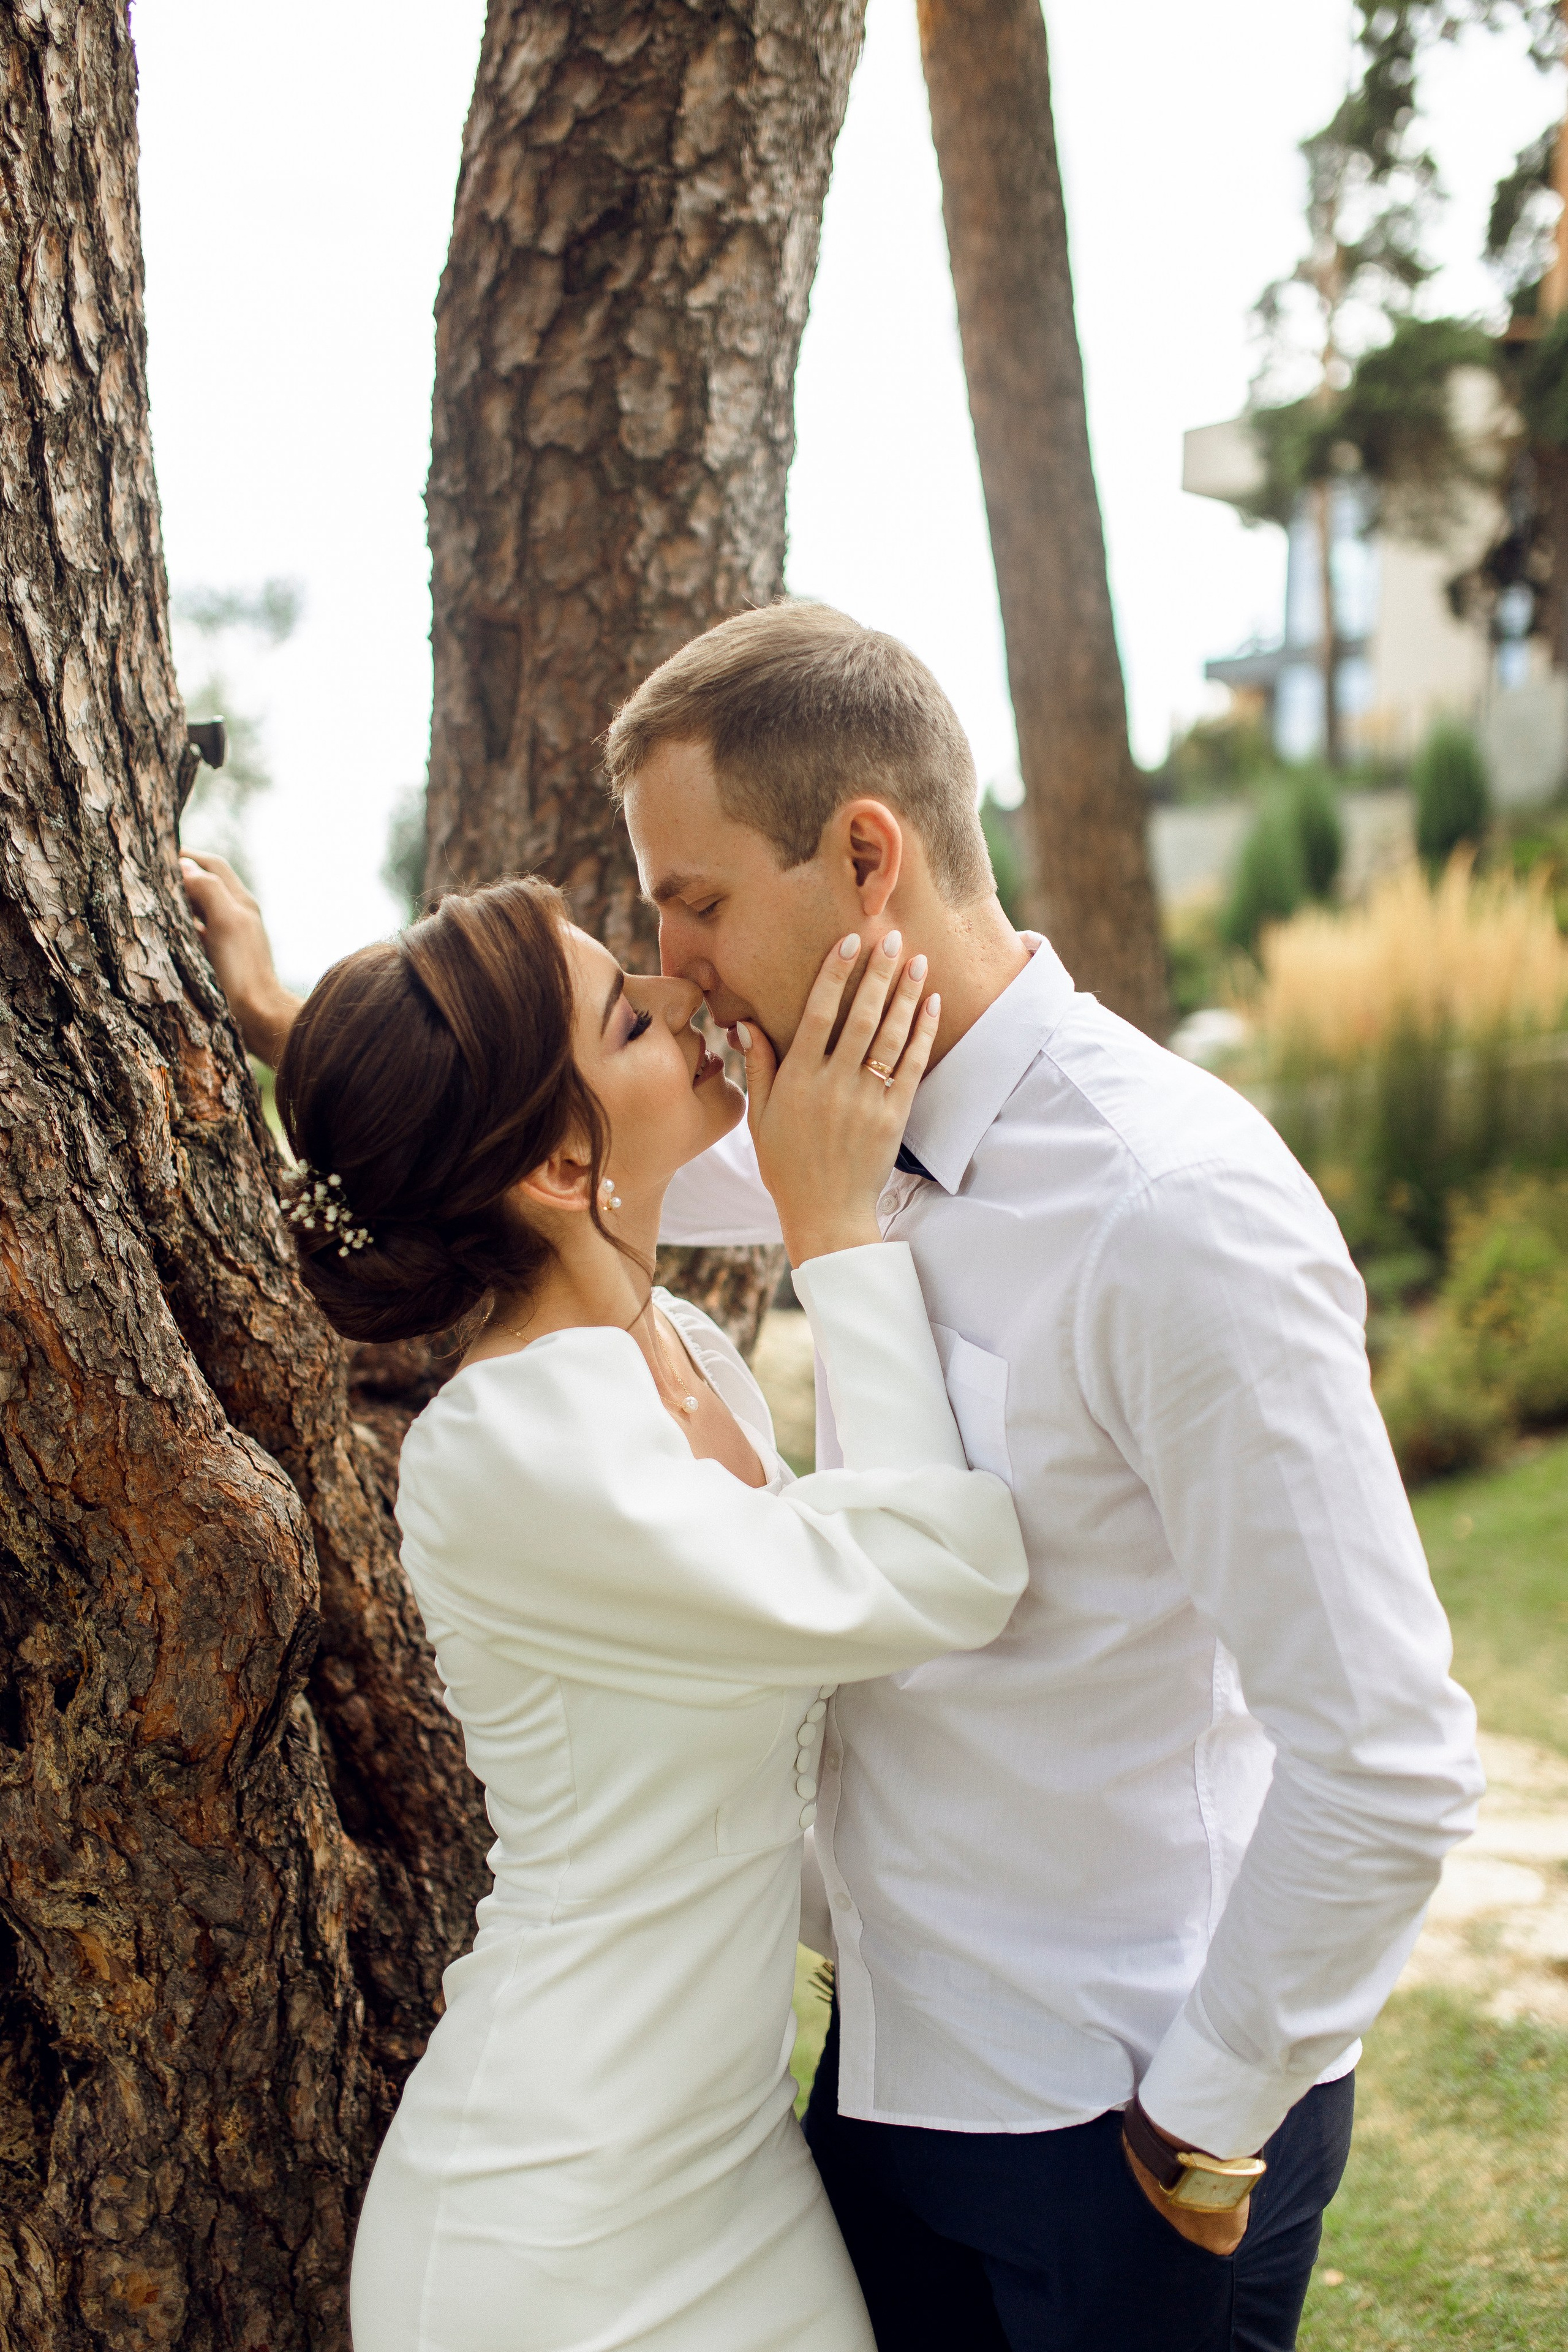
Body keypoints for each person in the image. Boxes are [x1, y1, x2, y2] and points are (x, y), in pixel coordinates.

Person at [600, 601, 1482, 2352]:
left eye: (695, 902)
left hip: (1118, 2129)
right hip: (890, 2073)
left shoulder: (1176, 1211)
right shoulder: (823, 1133)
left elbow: (1387, 1752)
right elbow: (563, 1154)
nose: (676, 962)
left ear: (866, 858)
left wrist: (1202, 2127)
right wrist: (282, 1017)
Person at [185, 862, 1027, 2352]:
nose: (682, 1002)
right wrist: (834, 1233)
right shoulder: (512, 1448)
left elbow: (453, 1113)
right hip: (547, 2226)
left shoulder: (679, 1340)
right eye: (628, 1021)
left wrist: (278, 1013)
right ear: (563, 1171)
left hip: (732, 2171)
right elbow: (936, 1571)